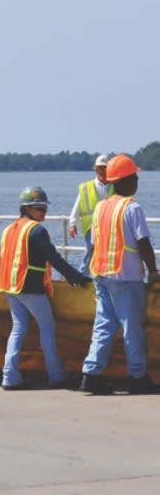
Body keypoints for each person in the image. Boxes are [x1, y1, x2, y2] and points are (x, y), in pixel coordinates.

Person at [0, 186, 90, 390]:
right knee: (47, 328)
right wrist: (76, 277)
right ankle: (56, 375)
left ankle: (9, 377)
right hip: (30, 289)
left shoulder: (9, 229)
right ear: (27, 208)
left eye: (45, 209)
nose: (44, 213)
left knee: (18, 329)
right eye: (40, 209)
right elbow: (54, 258)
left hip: (9, 288)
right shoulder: (37, 231)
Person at [80, 154, 160, 395]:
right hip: (125, 276)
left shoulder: (100, 208)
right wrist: (154, 272)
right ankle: (137, 376)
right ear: (123, 181)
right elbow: (143, 243)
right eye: (134, 177)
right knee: (131, 326)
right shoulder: (131, 207)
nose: (136, 181)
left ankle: (91, 374)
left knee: (104, 325)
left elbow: (93, 244)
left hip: (101, 273)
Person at [68, 154, 113, 277]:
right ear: (96, 169)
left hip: (110, 226)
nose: (103, 171)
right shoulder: (86, 187)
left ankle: (104, 275)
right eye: (100, 168)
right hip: (91, 226)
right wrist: (72, 224)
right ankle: (82, 275)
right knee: (91, 251)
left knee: (109, 253)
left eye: (105, 168)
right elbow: (77, 206)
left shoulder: (115, 186)